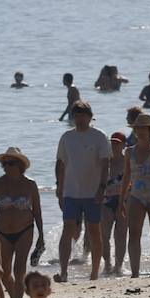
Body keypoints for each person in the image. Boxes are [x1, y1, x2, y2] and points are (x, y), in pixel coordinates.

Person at [55, 100, 110, 282]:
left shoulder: (99, 136)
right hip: (71, 192)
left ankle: (94, 272)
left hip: (93, 193)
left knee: (94, 231)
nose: (79, 119)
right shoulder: (67, 137)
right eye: (76, 116)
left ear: (90, 117)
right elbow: (60, 163)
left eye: (83, 116)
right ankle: (63, 272)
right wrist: (59, 189)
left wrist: (102, 188)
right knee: (68, 229)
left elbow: (105, 164)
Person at [0, 147, 43, 298]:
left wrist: (41, 236)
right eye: (4, 163)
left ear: (20, 165)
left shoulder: (30, 185)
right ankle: (14, 297)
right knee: (4, 272)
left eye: (11, 163)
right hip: (1, 232)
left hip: (25, 230)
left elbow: (37, 212)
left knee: (19, 270)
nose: (7, 166)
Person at [120, 114, 150, 277]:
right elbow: (126, 177)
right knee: (134, 234)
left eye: (143, 128)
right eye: (137, 128)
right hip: (136, 196)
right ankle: (135, 273)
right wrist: (121, 200)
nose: (140, 131)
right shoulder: (129, 151)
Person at [101, 133, 128, 274]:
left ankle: (118, 265)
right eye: (112, 143)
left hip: (123, 199)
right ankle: (107, 264)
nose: (115, 146)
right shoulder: (105, 161)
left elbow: (132, 182)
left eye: (118, 143)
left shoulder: (127, 161)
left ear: (124, 144)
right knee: (104, 234)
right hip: (106, 200)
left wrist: (124, 201)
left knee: (121, 234)